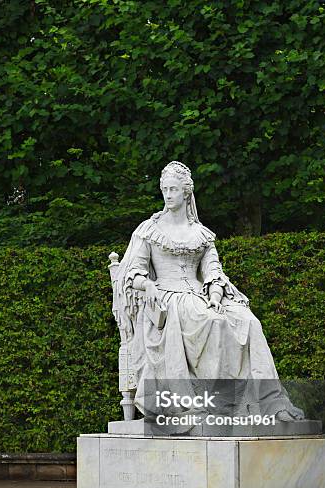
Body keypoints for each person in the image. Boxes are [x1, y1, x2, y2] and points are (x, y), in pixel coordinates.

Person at [113, 161, 304, 422]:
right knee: (211, 322)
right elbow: (134, 271)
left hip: (203, 297)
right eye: (164, 189)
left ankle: (269, 401)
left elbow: (214, 271)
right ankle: (218, 405)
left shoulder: (201, 234)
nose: (168, 195)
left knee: (249, 322)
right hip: (169, 299)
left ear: (186, 193)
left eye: (173, 190)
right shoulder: (149, 230)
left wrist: (215, 296)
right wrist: (147, 285)